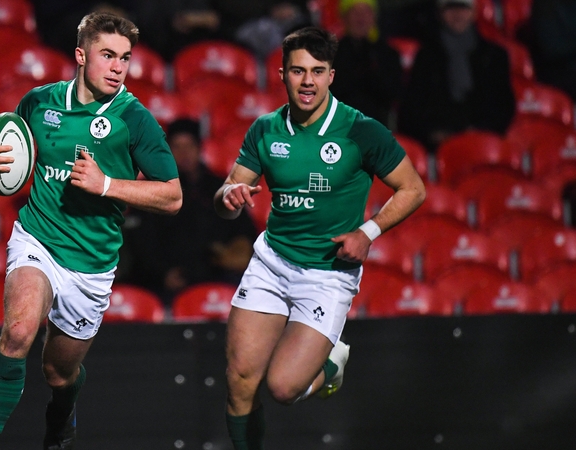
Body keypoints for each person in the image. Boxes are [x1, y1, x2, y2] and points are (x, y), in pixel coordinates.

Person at [0, 12, 182, 450]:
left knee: (58, 373)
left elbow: (173, 196)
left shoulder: (134, 119)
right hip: (38, 239)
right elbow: (1, 145)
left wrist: (106, 185)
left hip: (91, 264)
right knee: (18, 331)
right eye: (107, 55)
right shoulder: (39, 102)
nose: (118, 67)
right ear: (81, 56)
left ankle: (61, 419)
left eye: (125, 58)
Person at [214, 27, 425, 449]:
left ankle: (330, 366)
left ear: (331, 75)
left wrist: (368, 232)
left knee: (282, 388)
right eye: (298, 71)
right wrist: (229, 197)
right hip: (271, 263)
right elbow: (226, 195)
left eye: (317, 71)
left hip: (327, 274)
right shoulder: (265, 129)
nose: (307, 81)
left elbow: (413, 188)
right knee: (239, 379)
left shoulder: (360, 130)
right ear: (282, 75)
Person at [122, 118, 257, 305]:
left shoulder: (220, 188)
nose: (184, 153)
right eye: (177, 146)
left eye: (189, 146)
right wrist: (163, 274)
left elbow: (244, 233)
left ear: (200, 148)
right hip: (162, 282)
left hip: (215, 277)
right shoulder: (152, 188)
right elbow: (139, 242)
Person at [397, 0, 515, 151]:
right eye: (450, 9)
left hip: (484, 141)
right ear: (440, 14)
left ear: (473, 13)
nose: (457, 14)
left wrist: (479, 130)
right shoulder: (426, 57)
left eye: (463, 8)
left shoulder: (495, 56)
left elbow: (504, 105)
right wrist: (434, 133)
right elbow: (414, 106)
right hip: (438, 144)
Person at [331, 0, 403, 128]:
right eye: (355, 12)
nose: (361, 18)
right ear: (345, 17)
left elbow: (392, 94)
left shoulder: (388, 54)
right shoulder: (331, 54)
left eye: (366, 12)